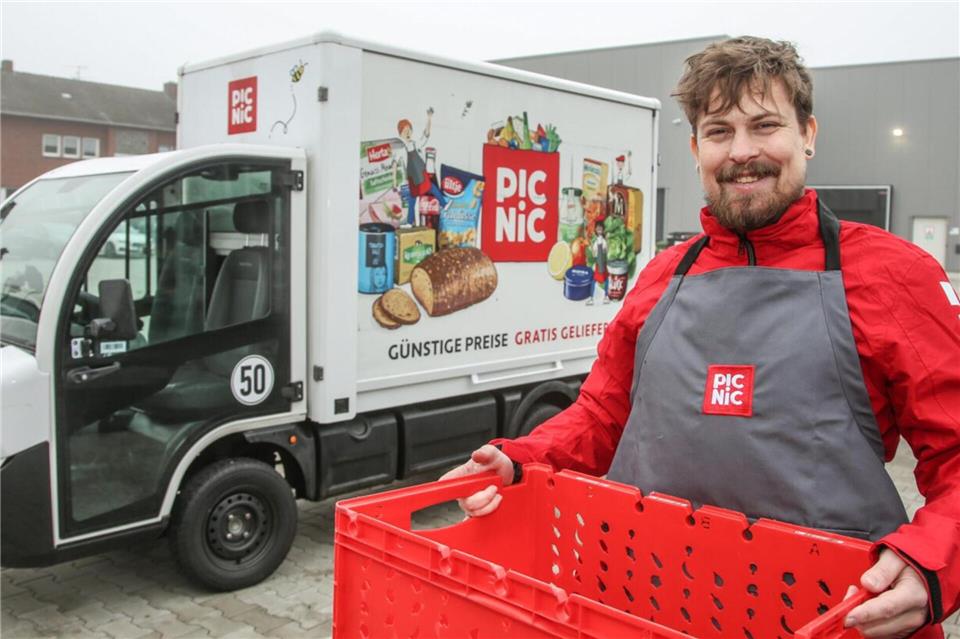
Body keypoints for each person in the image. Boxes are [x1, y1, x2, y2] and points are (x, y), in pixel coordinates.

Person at [442, 36, 959, 639]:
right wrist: (518, 458)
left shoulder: (893, 275)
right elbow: (603, 415)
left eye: (764, 125)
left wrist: (932, 563)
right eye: (718, 132)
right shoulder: (663, 276)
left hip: (831, 614)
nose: (741, 152)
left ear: (808, 134)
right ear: (695, 149)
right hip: (651, 606)